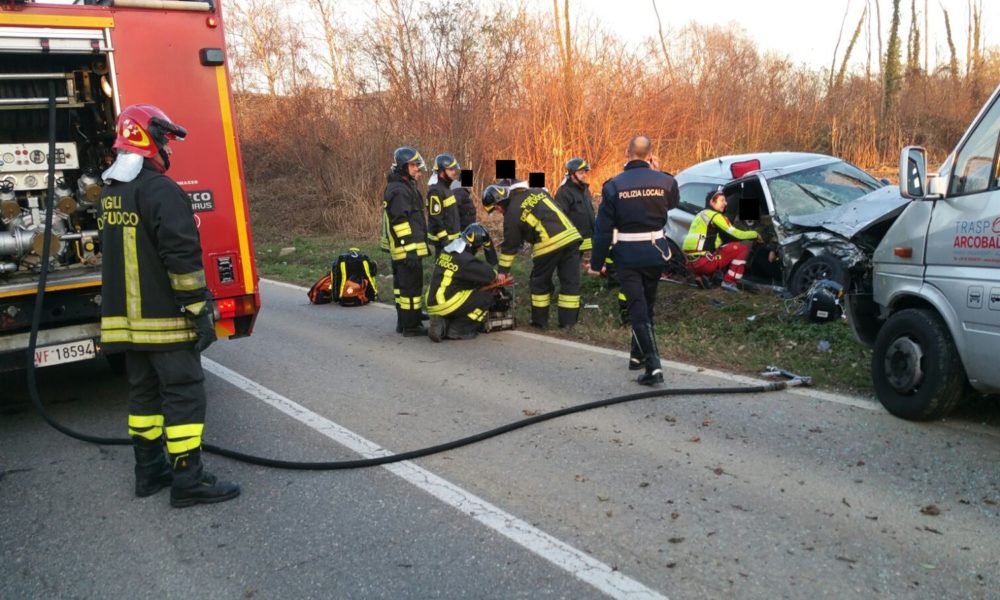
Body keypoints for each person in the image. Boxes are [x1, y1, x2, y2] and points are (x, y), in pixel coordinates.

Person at [98, 104, 239, 508]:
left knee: (143, 396)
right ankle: (188, 480)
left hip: (127, 325)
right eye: (164, 140)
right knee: (184, 394)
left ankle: (149, 472)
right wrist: (198, 309)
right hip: (165, 320)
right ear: (149, 140)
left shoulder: (112, 192)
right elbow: (182, 259)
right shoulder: (161, 190)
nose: (167, 149)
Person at [588, 135, 679, 386]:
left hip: (627, 254)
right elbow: (673, 202)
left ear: (627, 153)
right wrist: (658, 172)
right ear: (650, 154)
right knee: (646, 305)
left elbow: (603, 230)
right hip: (656, 252)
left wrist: (596, 264)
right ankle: (637, 358)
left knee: (637, 307)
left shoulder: (613, 185)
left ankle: (654, 366)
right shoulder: (666, 181)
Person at [482, 179, 582, 329]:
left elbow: (510, 247)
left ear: (500, 200)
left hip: (549, 243)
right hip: (571, 237)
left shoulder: (512, 214)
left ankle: (539, 322)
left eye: (496, 207)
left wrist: (502, 272)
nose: (498, 211)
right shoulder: (537, 191)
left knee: (539, 283)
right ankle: (568, 323)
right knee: (570, 282)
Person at [426, 223, 512, 342]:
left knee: (471, 293)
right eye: (479, 247)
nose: (478, 250)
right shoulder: (465, 260)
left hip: (433, 301)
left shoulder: (448, 250)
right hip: (447, 302)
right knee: (487, 298)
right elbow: (489, 275)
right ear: (474, 245)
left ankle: (443, 322)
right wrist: (499, 275)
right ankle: (459, 329)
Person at [382, 146, 430, 336]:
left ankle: (406, 319)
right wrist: (410, 249)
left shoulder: (403, 186)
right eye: (413, 165)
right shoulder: (400, 190)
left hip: (405, 249)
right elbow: (400, 222)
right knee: (410, 288)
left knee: (403, 289)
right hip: (407, 251)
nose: (417, 169)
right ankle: (411, 326)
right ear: (403, 166)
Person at [682, 189, 760, 292]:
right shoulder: (715, 215)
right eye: (722, 200)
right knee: (744, 246)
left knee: (721, 249)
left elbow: (714, 240)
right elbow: (737, 234)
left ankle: (701, 277)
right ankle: (729, 281)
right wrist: (755, 234)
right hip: (705, 263)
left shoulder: (700, 215)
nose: (726, 203)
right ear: (712, 202)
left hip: (691, 264)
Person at [554, 158, 596, 255]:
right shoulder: (564, 192)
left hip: (589, 242)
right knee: (574, 270)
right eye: (581, 173)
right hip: (574, 245)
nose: (585, 175)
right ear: (572, 175)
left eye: (585, 172)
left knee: (588, 270)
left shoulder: (585, 189)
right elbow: (560, 219)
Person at [426, 153, 463, 255]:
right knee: (443, 269)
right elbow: (436, 218)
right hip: (444, 242)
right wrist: (444, 240)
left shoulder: (446, 187)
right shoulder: (435, 190)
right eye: (450, 169)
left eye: (454, 169)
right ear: (442, 171)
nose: (454, 172)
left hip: (453, 239)